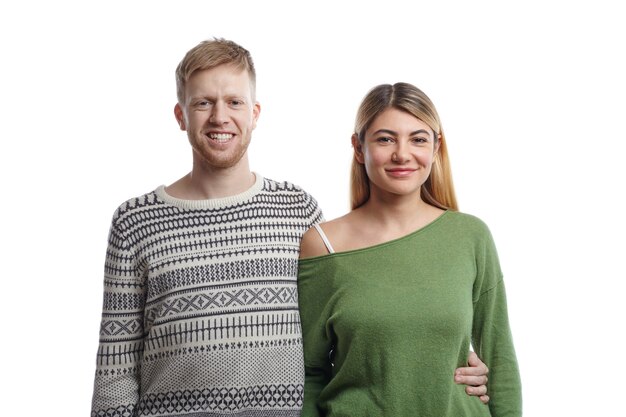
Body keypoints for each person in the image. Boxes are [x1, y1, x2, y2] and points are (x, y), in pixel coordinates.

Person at [90, 39, 490, 417]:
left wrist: (443, 366)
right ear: (181, 115)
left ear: (255, 113)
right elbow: (116, 369)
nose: (219, 116)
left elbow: (350, 325)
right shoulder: (135, 221)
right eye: (203, 103)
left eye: (234, 102)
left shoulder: (299, 212)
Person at [298, 83, 522, 416]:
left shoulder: (471, 236)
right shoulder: (323, 245)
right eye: (385, 139)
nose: (402, 154)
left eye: (418, 139)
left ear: (435, 147)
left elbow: (500, 361)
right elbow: (309, 372)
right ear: (359, 148)